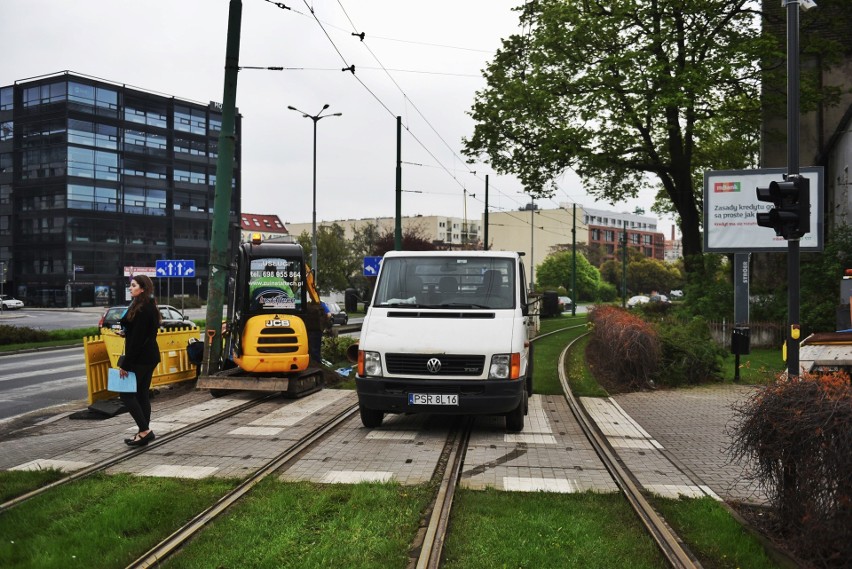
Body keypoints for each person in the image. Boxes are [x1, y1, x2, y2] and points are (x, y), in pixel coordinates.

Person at [118, 275, 162, 447]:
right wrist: (126, 332)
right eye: (130, 285)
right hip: (149, 356)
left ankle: (144, 431)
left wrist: (125, 364)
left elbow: (137, 341)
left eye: (134, 285)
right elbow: (141, 334)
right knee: (142, 394)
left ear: (142, 288)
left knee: (127, 395)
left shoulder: (142, 309)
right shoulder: (148, 306)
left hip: (140, 358)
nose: (130, 288)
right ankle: (143, 432)